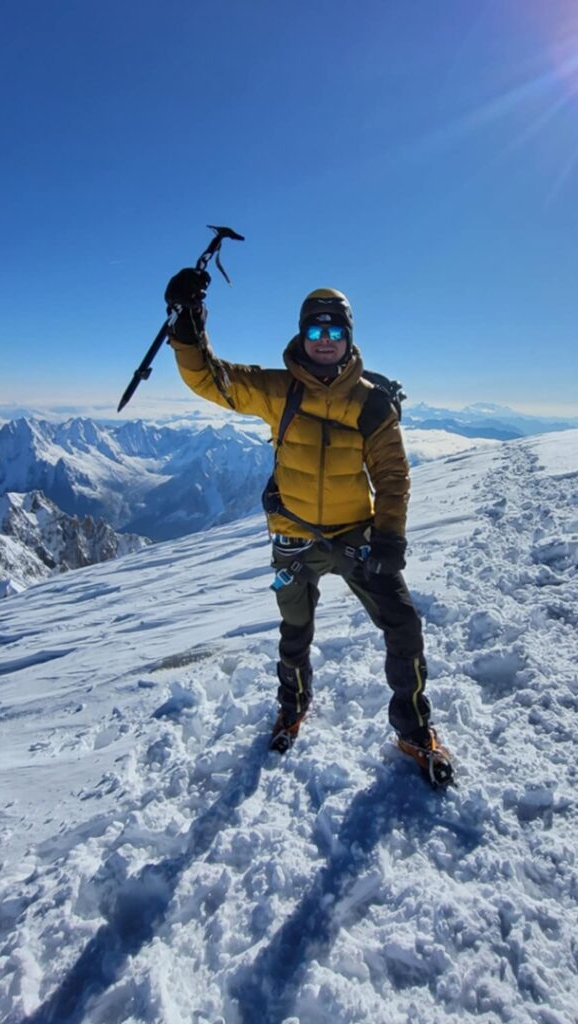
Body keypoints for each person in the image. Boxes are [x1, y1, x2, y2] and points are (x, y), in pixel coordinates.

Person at [163, 267, 452, 786]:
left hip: (358, 538)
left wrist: (390, 537)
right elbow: (211, 379)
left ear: (348, 337)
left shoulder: (371, 403)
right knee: (294, 634)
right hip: (294, 538)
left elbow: (392, 475)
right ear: (302, 335)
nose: (324, 341)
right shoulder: (277, 390)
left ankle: (414, 729)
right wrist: (187, 327)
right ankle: (291, 706)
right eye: (315, 331)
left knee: (404, 626)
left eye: (334, 331)